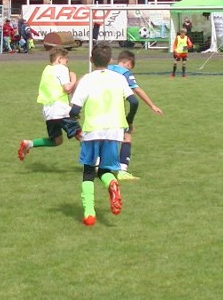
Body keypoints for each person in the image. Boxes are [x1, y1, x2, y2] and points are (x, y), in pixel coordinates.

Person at [70, 44, 133, 226]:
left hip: (93, 130)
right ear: (111, 60)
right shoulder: (119, 78)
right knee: (105, 170)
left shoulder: (87, 80)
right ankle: (111, 183)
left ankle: (89, 213)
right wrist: (129, 120)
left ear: (91, 60)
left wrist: (74, 116)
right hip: (114, 131)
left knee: (88, 172)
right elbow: (133, 100)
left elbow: (74, 109)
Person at [17, 47, 81, 161]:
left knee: (57, 140)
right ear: (60, 59)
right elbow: (67, 88)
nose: (67, 62)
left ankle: (29, 144)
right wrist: (73, 77)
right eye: (66, 60)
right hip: (60, 110)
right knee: (80, 135)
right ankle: (96, 162)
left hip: (48, 111)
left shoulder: (47, 70)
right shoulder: (61, 68)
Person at [108, 49, 163, 180]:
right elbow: (137, 91)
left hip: (99, 108)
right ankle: (122, 170)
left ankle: (99, 165)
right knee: (126, 137)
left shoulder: (106, 67)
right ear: (127, 62)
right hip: (116, 110)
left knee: (104, 138)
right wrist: (152, 105)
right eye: (130, 66)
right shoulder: (125, 74)